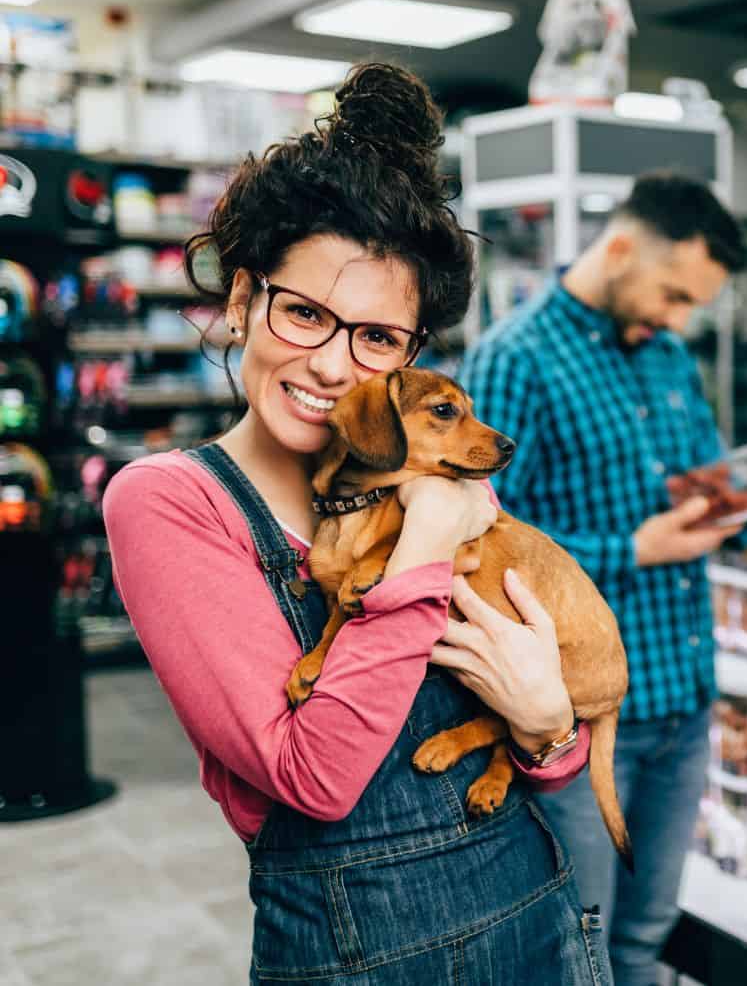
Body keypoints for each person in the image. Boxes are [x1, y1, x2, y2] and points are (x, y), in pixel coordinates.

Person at [103, 64, 609, 986]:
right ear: (244, 298)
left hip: (537, 919)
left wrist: (546, 732)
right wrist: (426, 538)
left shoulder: (421, 471)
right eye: (304, 313)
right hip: (358, 959)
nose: (337, 367)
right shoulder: (174, 502)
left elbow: (543, 755)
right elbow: (315, 778)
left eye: (377, 338)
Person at [459, 172, 747, 986]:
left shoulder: (665, 357)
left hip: (682, 698)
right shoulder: (515, 359)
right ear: (619, 248)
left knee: (643, 938)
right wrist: (636, 549)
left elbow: (703, 481)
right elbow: (482, 548)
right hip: (582, 720)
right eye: (672, 294)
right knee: (576, 946)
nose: (677, 318)